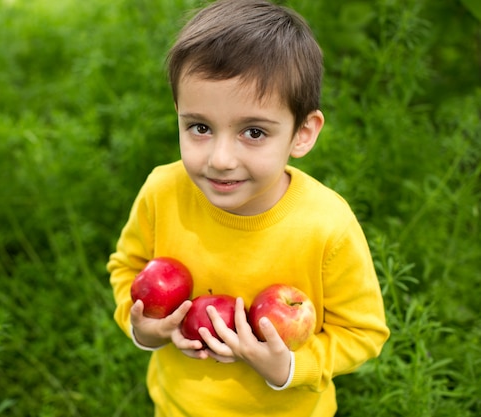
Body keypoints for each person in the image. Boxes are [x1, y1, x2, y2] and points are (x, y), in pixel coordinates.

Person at [107, 0, 390, 415]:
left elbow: (362, 331)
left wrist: (289, 365)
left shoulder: (326, 226)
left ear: (302, 134)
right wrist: (143, 327)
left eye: (253, 132)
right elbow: (126, 268)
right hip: (177, 406)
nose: (220, 158)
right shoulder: (163, 190)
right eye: (200, 127)